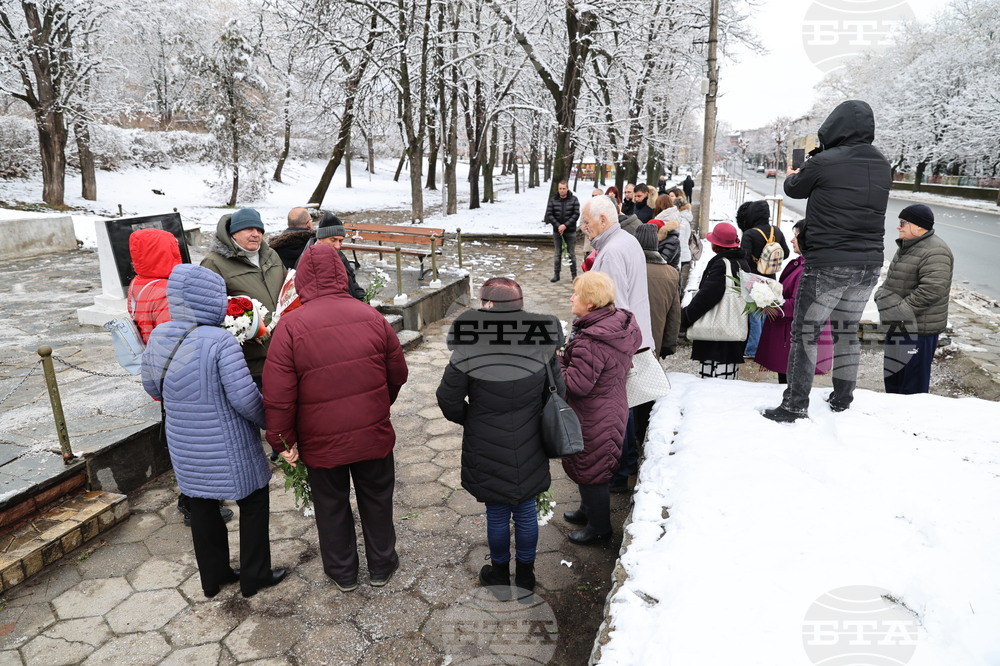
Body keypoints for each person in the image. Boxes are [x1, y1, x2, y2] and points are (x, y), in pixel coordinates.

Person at [263, 244, 408, 592]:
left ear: (301, 281)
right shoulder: (371, 316)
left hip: (320, 439)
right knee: (376, 497)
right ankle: (382, 564)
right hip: (371, 434)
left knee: (330, 504)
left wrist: (282, 441)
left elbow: (278, 395)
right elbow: (397, 373)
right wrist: (377, 407)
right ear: (341, 273)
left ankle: (343, 572)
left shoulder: (290, 326)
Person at [141, 264, 284, 599]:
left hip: (184, 443)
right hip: (228, 443)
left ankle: (213, 577)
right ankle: (254, 575)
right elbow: (244, 398)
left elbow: (152, 386)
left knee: (202, 505)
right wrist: (272, 423)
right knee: (253, 500)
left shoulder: (160, 335)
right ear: (212, 300)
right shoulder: (220, 340)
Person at [763, 100, 891, 422]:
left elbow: (793, 188)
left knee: (805, 332)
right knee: (847, 330)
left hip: (829, 263)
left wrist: (798, 170)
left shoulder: (824, 161)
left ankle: (794, 404)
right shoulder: (881, 163)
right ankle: (843, 397)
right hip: (869, 264)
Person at [436, 278, 562, 599]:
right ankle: (526, 576)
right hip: (531, 440)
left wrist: (472, 419)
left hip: (485, 441)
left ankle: (498, 572)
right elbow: (559, 391)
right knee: (525, 510)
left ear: (490, 305)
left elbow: (447, 398)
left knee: (496, 512)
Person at [128, 229, 233, 527]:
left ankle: (194, 499)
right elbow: (181, 334)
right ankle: (193, 503)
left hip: (160, 373)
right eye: (172, 247)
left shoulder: (139, 284)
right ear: (166, 251)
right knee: (196, 443)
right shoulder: (165, 290)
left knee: (181, 437)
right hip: (184, 377)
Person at [561, 271, 642, 544]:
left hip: (594, 414)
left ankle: (599, 529)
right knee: (589, 466)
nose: (571, 298)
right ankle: (588, 511)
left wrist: (557, 360)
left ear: (591, 304)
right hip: (611, 405)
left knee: (592, 471)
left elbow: (576, 385)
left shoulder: (591, 341)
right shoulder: (619, 321)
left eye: (577, 295)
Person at [201, 208, 286, 386]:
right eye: (249, 229)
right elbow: (207, 312)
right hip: (248, 363)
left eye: (259, 230)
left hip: (283, 353)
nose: (256, 234)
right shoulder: (214, 262)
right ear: (233, 233)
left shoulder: (271, 255)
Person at [875, 204, 953, 394]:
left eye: (903, 223)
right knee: (894, 380)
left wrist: (899, 311)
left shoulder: (935, 251)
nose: (898, 226)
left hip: (918, 331)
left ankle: (909, 422)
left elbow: (932, 289)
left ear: (919, 226)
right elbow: (893, 279)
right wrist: (880, 296)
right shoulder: (908, 246)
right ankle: (891, 420)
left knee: (912, 387)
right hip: (899, 326)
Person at [755, 221, 833, 383]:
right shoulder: (804, 264)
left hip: (794, 340)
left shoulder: (808, 269)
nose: (792, 240)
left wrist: (768, 302)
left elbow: (799, 305)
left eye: (796, 236)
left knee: (790, 386)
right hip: (791, 338)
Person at [681, 222, 751, 379]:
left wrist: (686, 317)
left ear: (717, 245)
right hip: (732, 327)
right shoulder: (742, 262)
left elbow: (707, 297)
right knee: (728, 379)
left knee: (714, 379)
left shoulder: (722, 264)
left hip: (717, 336)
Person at [736, 200, 789, 359]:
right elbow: (785, 253)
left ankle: (753, 350)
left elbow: (743, 257)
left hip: (754, 279)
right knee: (767, 314)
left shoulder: (750, 234)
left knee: (755, 316)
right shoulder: (777, 231)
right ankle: (766, 347)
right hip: (771, 279)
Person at [635, 224, 681, 358]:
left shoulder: (627, 268)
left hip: (625, 344)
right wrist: (668, 346)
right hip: (654, 345)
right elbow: (674, 315)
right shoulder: (671, 274)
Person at [304, 212, 366, 301]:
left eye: (340, 241)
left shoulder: (339, 255)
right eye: (333, 240)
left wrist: (364, 301)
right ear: (320, 238)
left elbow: (353, 284)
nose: (338, 246)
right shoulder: (308, 260)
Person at [544, 180, 580, 282]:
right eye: (560, 188)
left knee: (571, 253)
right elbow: (549, 214)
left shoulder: (574, 200)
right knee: (557, 253)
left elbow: (576, 214)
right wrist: (558, 225)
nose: (562, 191)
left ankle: (574, 275)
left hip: (570, 231)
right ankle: (556, 274)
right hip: (557, 231)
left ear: (567, 188)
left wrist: (565, 225)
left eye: (564, 188)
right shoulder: (553, 200)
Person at [676, 195, 695, 288]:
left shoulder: (681, 221)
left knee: (678, 279)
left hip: (680, 254)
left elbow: (680, 239)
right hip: (684, 253)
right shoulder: (685, 218)